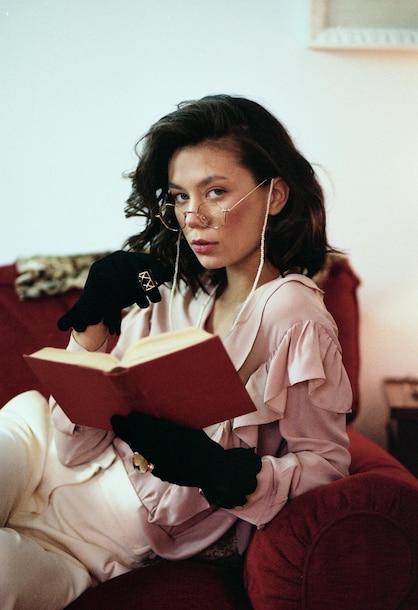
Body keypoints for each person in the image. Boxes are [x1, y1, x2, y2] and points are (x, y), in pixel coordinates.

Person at [0, 95, 352, 609]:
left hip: (100, 545)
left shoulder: (292, 313)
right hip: (36, 446)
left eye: (215, 191)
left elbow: (327, 463)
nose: (194, 216)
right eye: (181, 196)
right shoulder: (168, 291)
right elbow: (72, 448)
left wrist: (230, 476)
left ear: (274, 195)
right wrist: (91, 326)